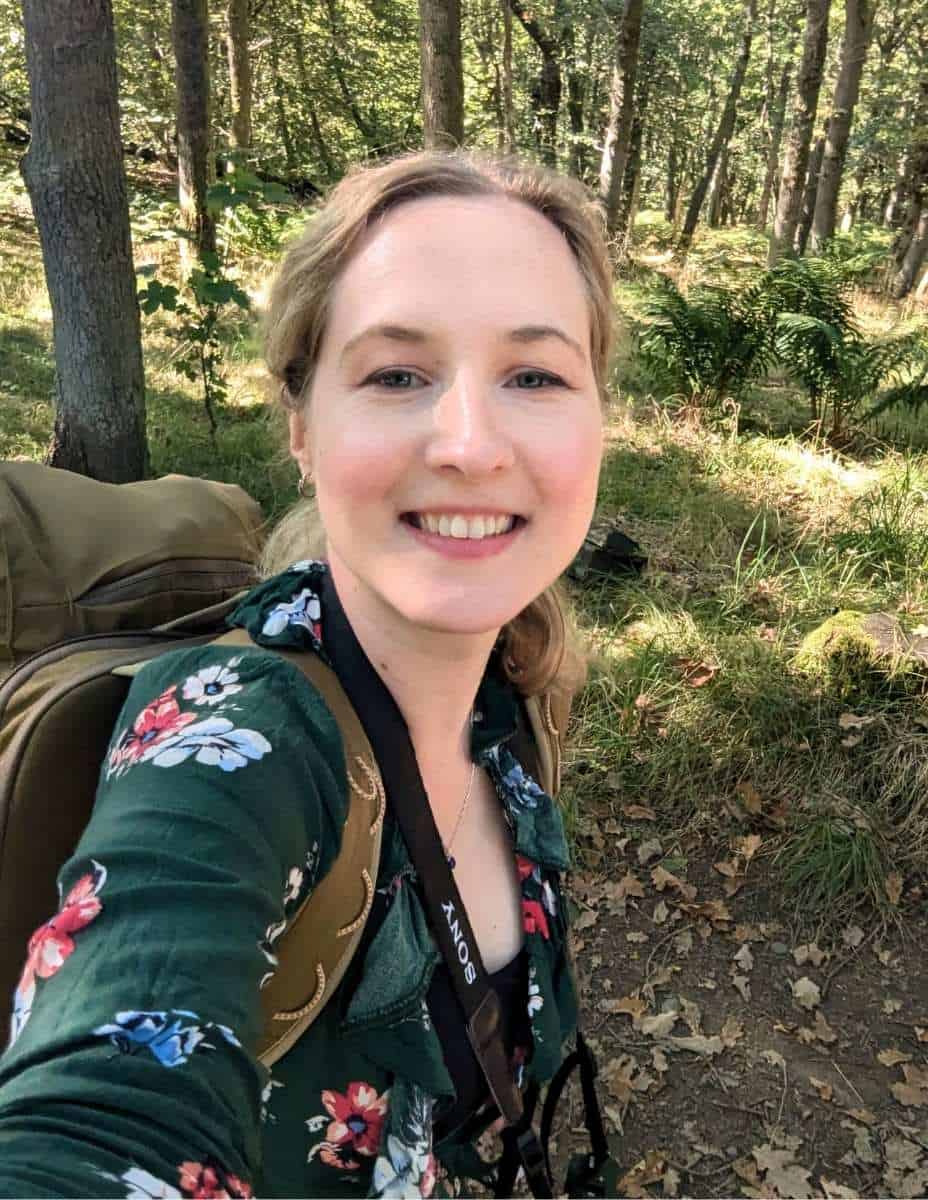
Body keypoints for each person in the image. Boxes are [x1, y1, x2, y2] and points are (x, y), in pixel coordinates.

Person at [0, 149, 613, 1199]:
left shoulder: (514, 694)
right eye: (396, 374)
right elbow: (101, 1103)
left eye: (534, 375)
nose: (467, 442)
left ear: (598, 422)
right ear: (301, 427)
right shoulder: (237, 732)